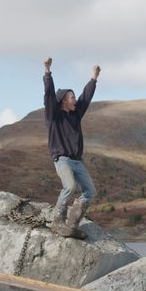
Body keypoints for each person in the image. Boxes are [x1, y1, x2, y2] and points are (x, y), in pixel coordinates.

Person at [43, 57, 101, 239]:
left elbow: (86, 98)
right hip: (62, 159)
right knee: (69, 186)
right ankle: (57, 222)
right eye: (72, 97)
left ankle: (72, 225)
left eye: (74, 97)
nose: (75, 100)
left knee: (90, 192)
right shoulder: (54, 116)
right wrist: (47, 72)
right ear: (63, 101)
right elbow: (49, 95)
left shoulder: (75, 115)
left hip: (77, 161)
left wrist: (94, 77)